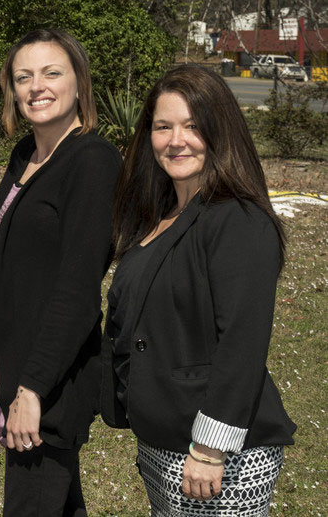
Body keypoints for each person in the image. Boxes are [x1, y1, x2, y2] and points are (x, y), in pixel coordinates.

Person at [103, 64, 295, 515]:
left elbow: (242, 344)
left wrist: (210, 449)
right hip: (162, 442)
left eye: (193, 126)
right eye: (163, 126)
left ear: (219, 130)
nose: (176, 140)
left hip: (217, 456)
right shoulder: (161, 213)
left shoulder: (237, 218)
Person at [0, 28, 121, 516]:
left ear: (79, 82)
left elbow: (78, 290)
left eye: (51, 73)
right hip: (17, 371)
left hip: (48, 386)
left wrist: (32, 389)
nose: (36, 86)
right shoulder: (26, 156)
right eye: (23, 77)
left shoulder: (92, 162)